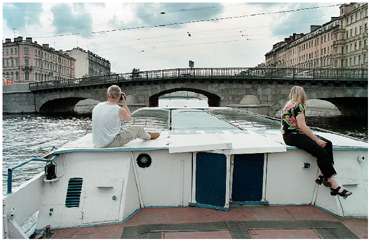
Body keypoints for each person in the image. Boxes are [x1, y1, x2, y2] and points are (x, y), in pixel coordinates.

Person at [281, 86, 352, 198]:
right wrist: (316, 140)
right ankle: (334, 185)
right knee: (321, 152)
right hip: (294, 136)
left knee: (328, 143)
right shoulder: (299, 106)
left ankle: (323, 176)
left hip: (289, 136)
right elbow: (302, 126)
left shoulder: (288, 104)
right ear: (302, 95)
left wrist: (316, 138)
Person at [92, 85, 160, 148]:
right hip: (110, 143)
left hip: (97, 143)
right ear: (120, 96)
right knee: (138, 129)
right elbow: (129, 119)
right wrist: (124, 104)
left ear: (107, 95)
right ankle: (149, 136)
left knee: (122, 129)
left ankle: (146, 134)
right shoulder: (118, 109)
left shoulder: (97, 106)